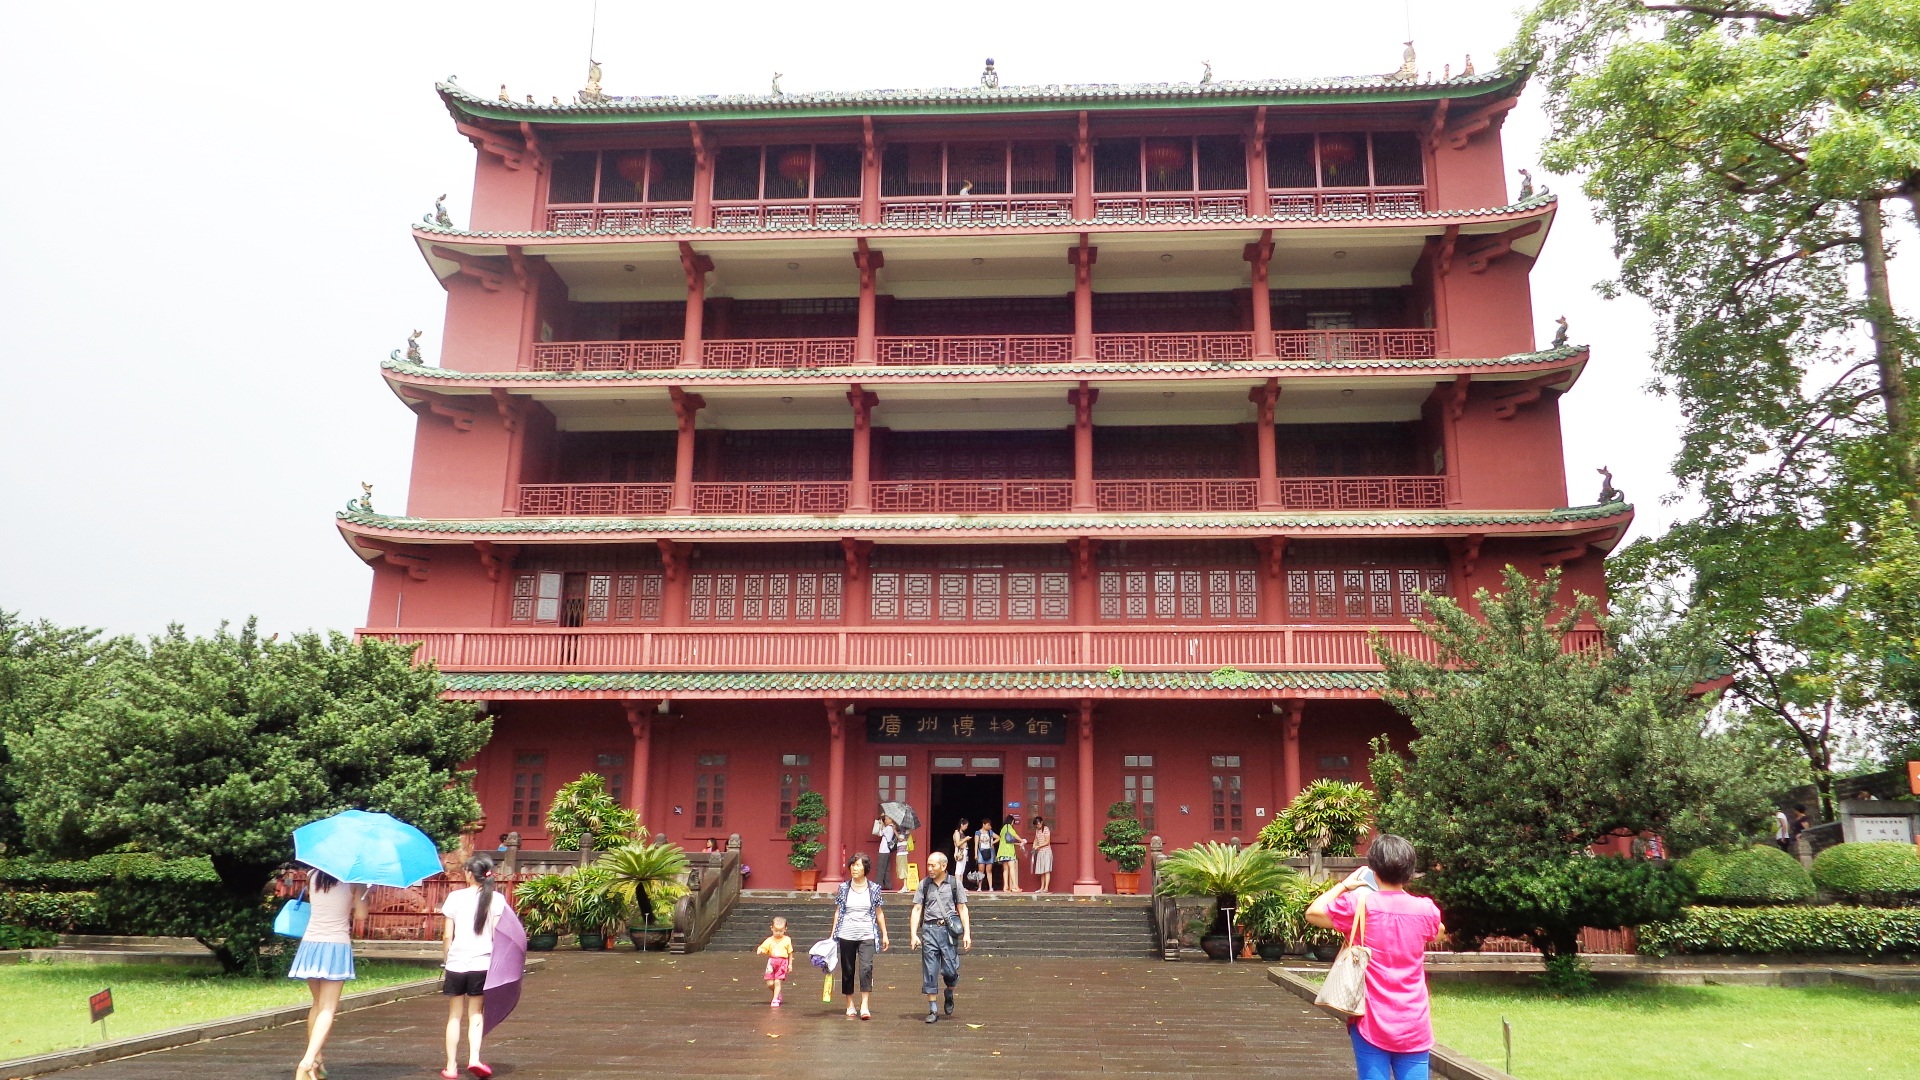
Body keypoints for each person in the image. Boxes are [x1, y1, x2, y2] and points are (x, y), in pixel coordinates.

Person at [1306, 834, 1444, 1080]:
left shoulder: (1359, 905)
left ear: (1373, 869)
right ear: (1409, 871)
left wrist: (1345, 885)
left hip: (1371, 1019)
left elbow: (1313, 913)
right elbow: (1440, 932)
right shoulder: (1426, 910)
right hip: (1414, 1022)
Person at [289, 866, 370, 1080]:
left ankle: (317, 1060)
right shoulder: (355, 881)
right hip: (335, 945)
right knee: (328, 1008)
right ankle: (306, 1063)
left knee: (317, 1005)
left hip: (311, 943)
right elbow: (361, 916)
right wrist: (363, 893)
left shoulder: (312, 875)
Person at [440, 853, 510, 1080]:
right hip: (482, 962)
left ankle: (451, 1067)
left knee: (454, 1016)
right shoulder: (497, 900)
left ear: (470, 874)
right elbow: (499, 936)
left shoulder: (455, 897)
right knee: (476, 1014)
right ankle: (474, 1059)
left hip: (457, 963)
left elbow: (446, 935)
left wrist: (447, 958)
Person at [908, 852, 973, 1023]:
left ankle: (949, 992)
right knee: (930, 970)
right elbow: (916, 909)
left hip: (948, 933)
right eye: (928, 865)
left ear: (943, 866)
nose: (929, 868)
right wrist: (914, 934)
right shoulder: (924, 885)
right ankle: (933, 1009)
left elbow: (963, 909)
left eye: (933, 865)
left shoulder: (954, 884)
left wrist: (967, 933)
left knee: (950, 971)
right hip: (929, 930)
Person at [828, 853, 890, 1019]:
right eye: (853, 865)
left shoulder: (874, 888)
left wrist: (884, 934)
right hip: (846, 934)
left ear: (866, 869)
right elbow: (839, 910)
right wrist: (832, 934)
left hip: (867, 934)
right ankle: (849, 1004)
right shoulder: (844, 888)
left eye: (858, 865)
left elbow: (879, 912)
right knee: (848, 970)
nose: (854, 869)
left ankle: (864, 1005)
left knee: (866, 968)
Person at [756, 916, 794, 1007]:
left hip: (782, 961)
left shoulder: (787, 940)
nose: (778, 933)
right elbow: (763, 947)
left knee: (778, 981)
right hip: (772, 962)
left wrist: (790, 964)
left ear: (785, 929)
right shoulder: (769, 940)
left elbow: (790, 952)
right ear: (772, 928)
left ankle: (775, 999)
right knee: (770, 983)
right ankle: (777, 993)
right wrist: (760, 950)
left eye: (781, 931)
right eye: (776, 930)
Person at [997, 814, 1027, 893]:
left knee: (1005, 869)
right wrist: (1021, 840)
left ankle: (1005, 886)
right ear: (1012, 821)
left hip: (1002, 851)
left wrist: (1018, 843)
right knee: (1012, 868)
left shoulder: (1003, 828)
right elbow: (1014, 835)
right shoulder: (1008, 827)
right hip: (1009, 851)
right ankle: (1015, 886)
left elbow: (1008, 840)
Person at [1030, 815, 1054, 895]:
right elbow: (1036, 839)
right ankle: (1042, 887)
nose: (1037, 826)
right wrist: (1034, 847)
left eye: (1038, 824)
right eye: (1036, 825)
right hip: (1040, 852)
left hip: (1046, 852)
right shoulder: (1037, 830)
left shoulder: (1046, 829)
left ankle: (1046, 887)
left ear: (1042, 822)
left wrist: (1038, 846)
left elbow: (1047, 841)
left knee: (1046, 870)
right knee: (1041, 871)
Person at [974, 819, 999, 892]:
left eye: (989, 825)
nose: (989, 826)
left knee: (989, 870)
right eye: (987, 825)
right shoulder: (978, 833)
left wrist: (992, 843)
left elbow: (998, 837)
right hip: (981, 852)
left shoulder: (990, 832)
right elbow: (976, 844)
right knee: (981, 870)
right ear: (983, 824)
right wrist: (975, 854)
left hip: (989, 852)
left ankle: (990, 887)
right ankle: (979, 887)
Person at [876, 816, 898, 891]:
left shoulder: (888, 828)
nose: (885, 820)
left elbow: (879, 833)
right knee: (887, 869)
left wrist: (881, 825)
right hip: (887, 850)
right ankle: (888, 885)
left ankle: (879, 885)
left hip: (883, 850)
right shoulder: (891, 828)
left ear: (890, 819)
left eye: (886, 819)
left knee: (881, 868)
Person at [952, 817, 972, 885]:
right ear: (961, 825)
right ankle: (957, 885)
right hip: (960, 852)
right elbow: (958, 843)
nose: (966, 827)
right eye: (965, 826)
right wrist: (965, 839)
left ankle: (960, 885)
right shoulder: (957, 832)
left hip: (964, 851)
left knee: (962, 870)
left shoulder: (961, 832)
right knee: (959, 869)